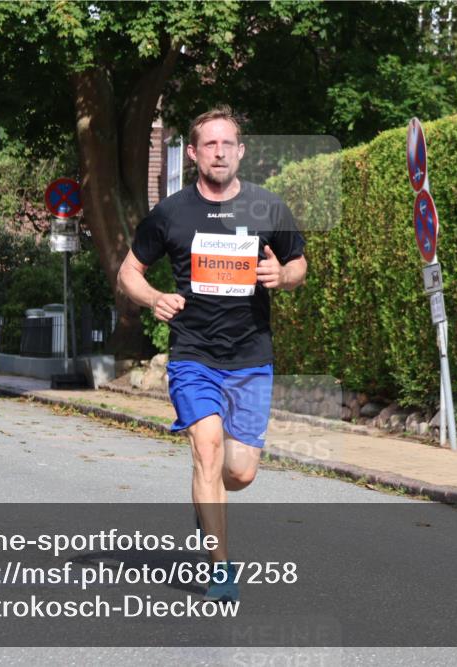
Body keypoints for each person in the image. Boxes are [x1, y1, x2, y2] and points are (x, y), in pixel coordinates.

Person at [118, 106, 307, 602]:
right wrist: (154, 297)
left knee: (239, 471)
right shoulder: (171, 214)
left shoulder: (268, 208)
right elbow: (128, 273)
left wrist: (281, 276)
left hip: (250, 356)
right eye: (209, 145)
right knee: (206, 449)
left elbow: (299, 264)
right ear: (195, 154)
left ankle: (208, 498)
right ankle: (220, 568)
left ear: (240, 152)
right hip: (193, 354)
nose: (219, 152)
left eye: (228, 144)